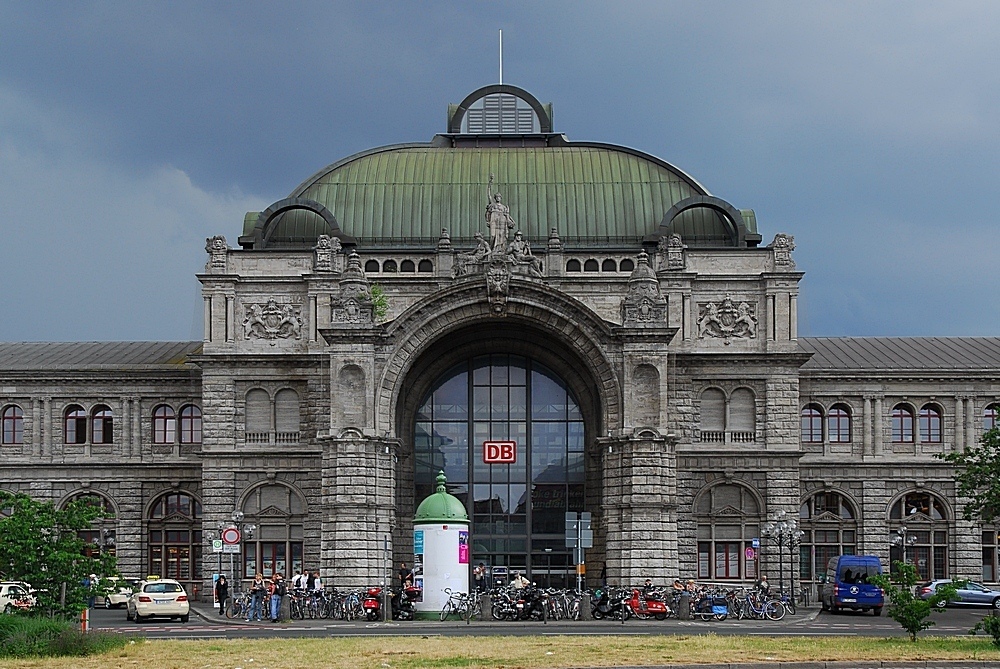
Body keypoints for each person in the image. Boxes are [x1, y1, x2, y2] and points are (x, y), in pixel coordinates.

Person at [485, 174, 516, 253]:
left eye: (499, 197)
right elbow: (488, 195)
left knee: (502, 237)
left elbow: (508, 216)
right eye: (497, 197)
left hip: (502, 222)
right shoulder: (492, 205)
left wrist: (511, 220)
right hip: (494, 221)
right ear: (495, 198)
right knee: (493, 236)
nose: (498, 198)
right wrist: (490, 183)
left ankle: (501, 251)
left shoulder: (504, 207)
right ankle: (492, 250)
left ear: (501, 198)